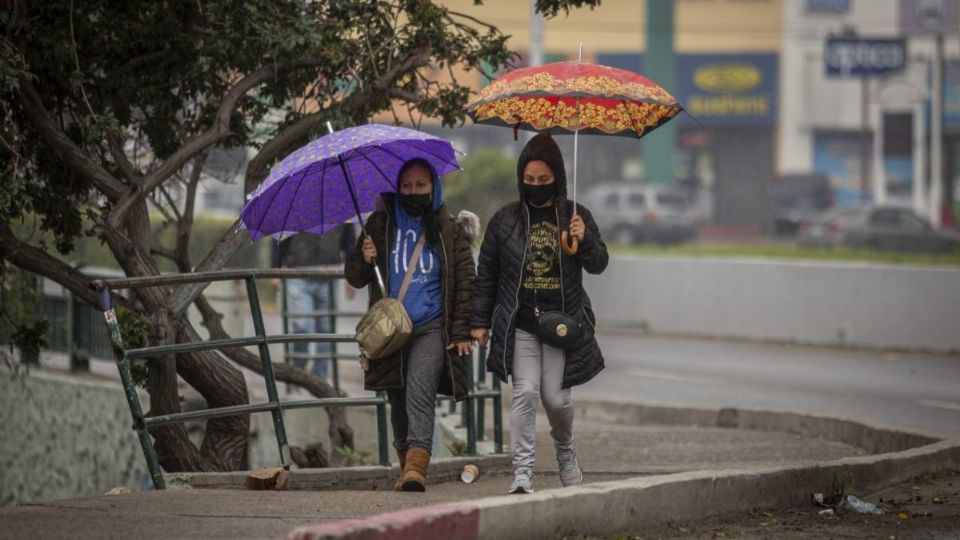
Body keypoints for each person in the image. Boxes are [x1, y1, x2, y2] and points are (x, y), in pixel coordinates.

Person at [470, 132, 609, 494]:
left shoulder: (576, 216)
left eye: (543, 180)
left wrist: (586, 240)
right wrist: (479, 322)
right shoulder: (504, 221)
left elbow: (599, 265)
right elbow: (488, 274)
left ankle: (565, 451)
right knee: (525, 393)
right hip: (522, 324)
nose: (535, 186)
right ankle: (523, 472)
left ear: (557, 179)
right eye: (529, 180)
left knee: (556, 398)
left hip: (562, 325)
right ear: (520, 179)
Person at [345, 157, 478, 492]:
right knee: (397, 399)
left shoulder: (449, 228)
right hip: (390, 331)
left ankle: (418, 468)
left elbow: (466, 282)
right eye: (407, 186)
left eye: (421, 185)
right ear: (397, 188)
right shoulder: (379, 223)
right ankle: (406, 467)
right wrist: (363, 257)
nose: (413, 191)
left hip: (431, 327)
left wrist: (462, 329)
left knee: (420, 391)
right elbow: (355, 278)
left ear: (433, 187)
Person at [272, 224, 356, 381]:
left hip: (329, 273)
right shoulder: (294, 204)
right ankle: (298, 372)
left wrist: (352, 276)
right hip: (298, 273)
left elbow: (349, 242)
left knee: (326, 330)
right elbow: (279, 236)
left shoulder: (340, 205)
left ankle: (319, 378)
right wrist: (275, 269)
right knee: (302, 326)